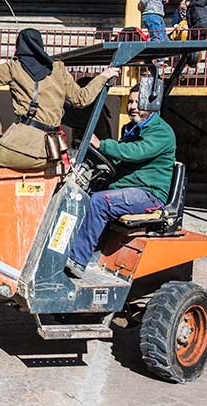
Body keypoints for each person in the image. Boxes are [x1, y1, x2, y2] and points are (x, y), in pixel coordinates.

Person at [0, 28, 118, 171]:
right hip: (51, 150)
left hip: (22, 144)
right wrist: (104, 75)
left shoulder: (14, 67)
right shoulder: (58, 68)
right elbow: (82, 99)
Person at [65, 85, 176, 278]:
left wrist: (102, 145)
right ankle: (71, 249)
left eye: (136, 102)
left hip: (149, 194)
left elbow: (134, 152)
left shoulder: (161, 132)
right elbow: (118, 157)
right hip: (130, 188)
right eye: (130, 102)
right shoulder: (132, 129)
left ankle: (77, 261)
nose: (132, 106)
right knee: (78, 195)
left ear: (151, 103)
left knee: (100, 202)